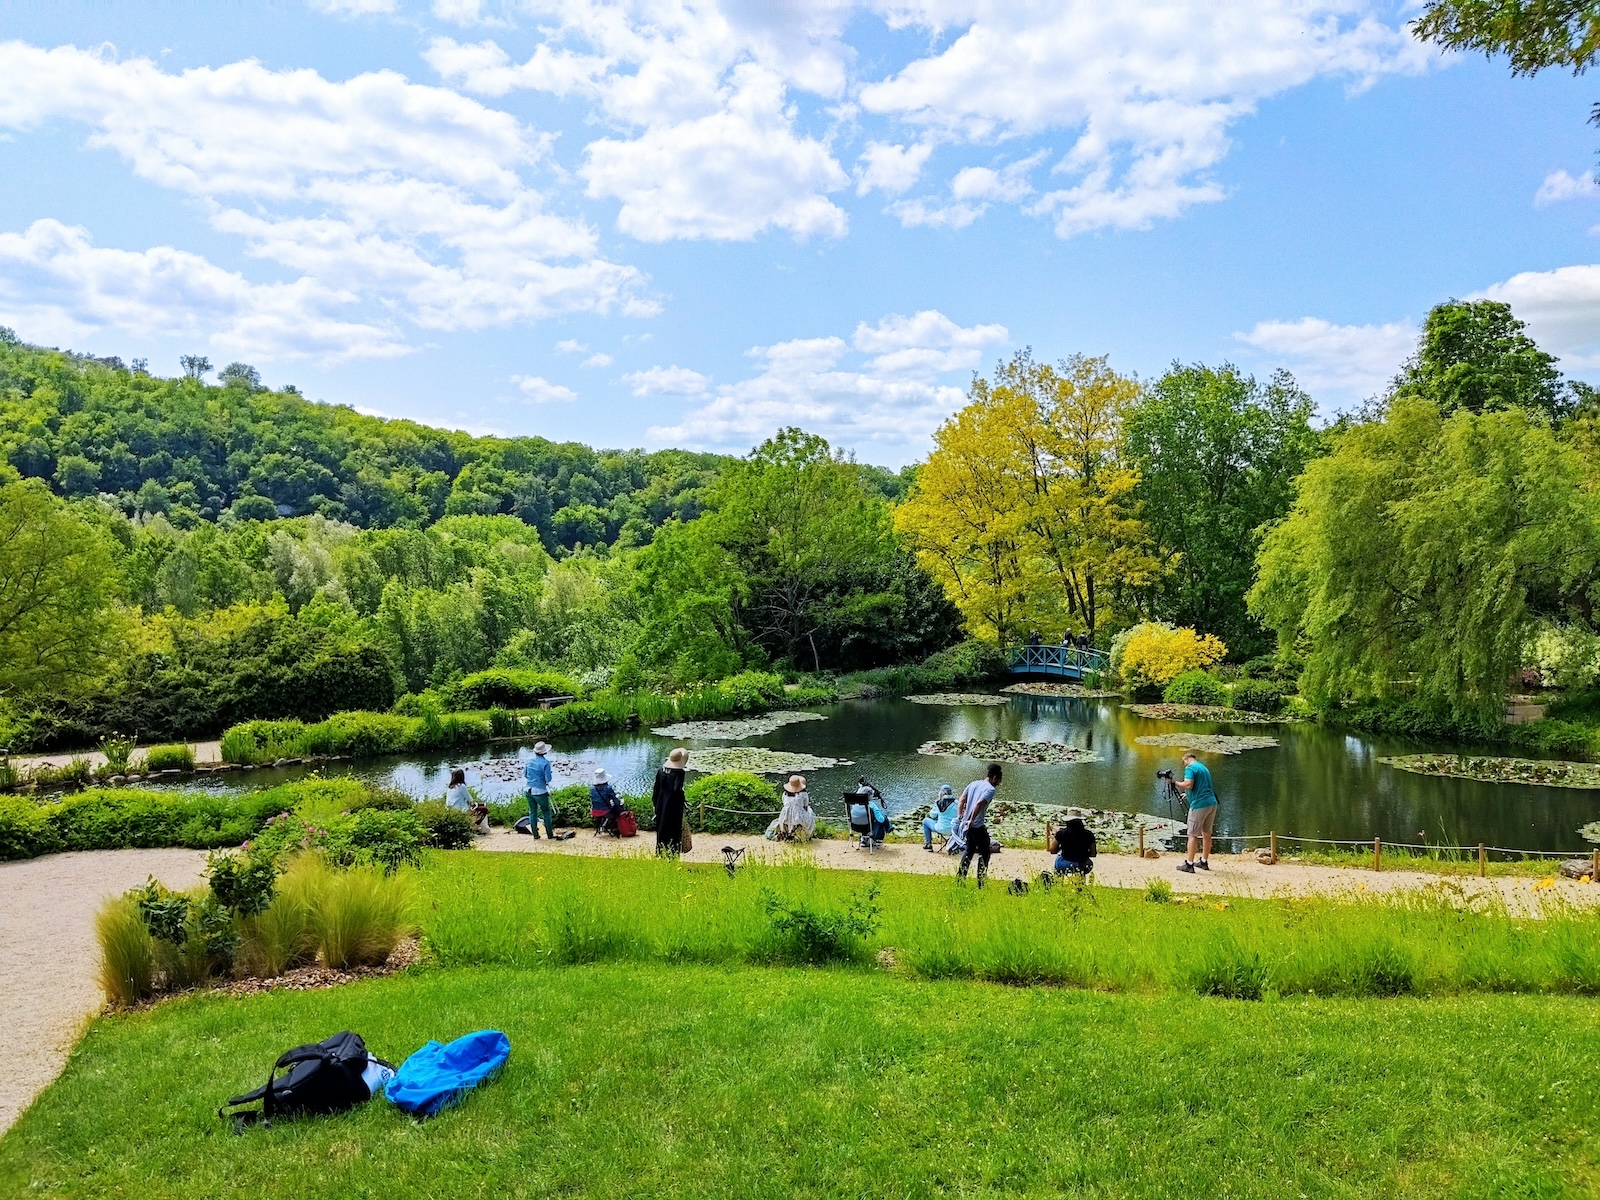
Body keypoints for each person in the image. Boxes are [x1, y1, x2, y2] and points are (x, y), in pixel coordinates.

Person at [956, 763, 1002, 887]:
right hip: (976, 825)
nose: (998, 783)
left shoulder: (973, 784)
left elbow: (961, 799)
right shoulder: (990, 789)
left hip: (968, 825)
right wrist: (972, 819)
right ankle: (981, 882)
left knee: (969, 850)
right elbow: (979, 803)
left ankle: (960, 879)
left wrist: (960, 816)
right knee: (985, 852)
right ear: (994, 777)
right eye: (998, 780)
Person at [1175, 750, 1217, 873]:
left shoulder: (1190, 768)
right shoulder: (1203, 767)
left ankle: (1189, 864)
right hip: (1211, 803)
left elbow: (1188, 785)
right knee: (1206, 833)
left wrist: (1174, 782)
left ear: (1186, 759)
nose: (1184, 765)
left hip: (1199, 805)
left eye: (1184, 762)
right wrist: (1187, 795)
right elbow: (1201, 787)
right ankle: (1204, 861)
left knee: (1192, 834)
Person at [653, 747, 688, 854]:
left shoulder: (660, 771)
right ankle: (673, 852)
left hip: (661, 803)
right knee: (674, 829)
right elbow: (676, 790)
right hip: (673, 805)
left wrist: (656, 805)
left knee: (661, 827)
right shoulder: (679, 773)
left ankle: (660, 851)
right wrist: (683, 800)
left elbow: (656, 790)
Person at [767, 774, 816, 841]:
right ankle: (806, 834)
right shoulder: (803, 794)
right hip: (798, 816)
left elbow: (785, 803)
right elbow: (805, 805)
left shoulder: (785, 794)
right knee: (810, 812)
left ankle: (785, 833)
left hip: (785, 815)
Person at [524, 742, 557, 839]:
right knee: (546, 811)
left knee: (532, 812)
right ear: (545, 752)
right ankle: (549, 834)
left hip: (528, 789)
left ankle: (535, 834)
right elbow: (548, 779)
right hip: (540, 791)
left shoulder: (529, 761)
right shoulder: (545, 763)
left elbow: (525, 775)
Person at [445, 767, 490, 834]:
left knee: (478, 808)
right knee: (484, 809)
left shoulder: (450, 788)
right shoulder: (461, 786)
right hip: (461, 811)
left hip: (450, 811)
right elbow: (470, 800)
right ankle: (484, 830)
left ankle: (476, 828)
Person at [855, 776, 891, 845]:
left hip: (856, 825)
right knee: (882, 817)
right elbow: (881, 820)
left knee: (871, 818)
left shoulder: (855, 805)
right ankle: (880, 838)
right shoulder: (872, 805)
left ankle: (863, 840)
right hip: (869, 827)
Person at [922, 783, 958, 851]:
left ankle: (928, 844)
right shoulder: (957, 803)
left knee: (925, 821)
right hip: (953, 829)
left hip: (940, 828)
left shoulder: (938, 803)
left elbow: (932, 815)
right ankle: (954, 845)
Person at [589, 768, 623, 836]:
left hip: (594, 811)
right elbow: (615, 800)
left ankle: (602, 826)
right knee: (619, 804)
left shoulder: (592, 788)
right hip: (605, 812)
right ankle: (616, 827)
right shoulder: (608, 788)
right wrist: (620, 805)